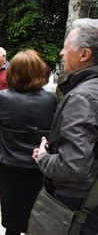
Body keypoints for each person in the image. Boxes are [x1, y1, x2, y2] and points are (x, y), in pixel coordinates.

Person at [33, 19, 98, 234]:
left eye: (66, 46)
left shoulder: (81, 97)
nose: (61, 52)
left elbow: (73, 167)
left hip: (75, 207)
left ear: (84, 55)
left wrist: (43, 157)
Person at [0, 50, 57, 235]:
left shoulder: (3, 97)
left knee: (13, 217)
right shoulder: (51, 99)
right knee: (36, 212)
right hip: (39, 163)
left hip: (10, 164)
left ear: (13, 72)